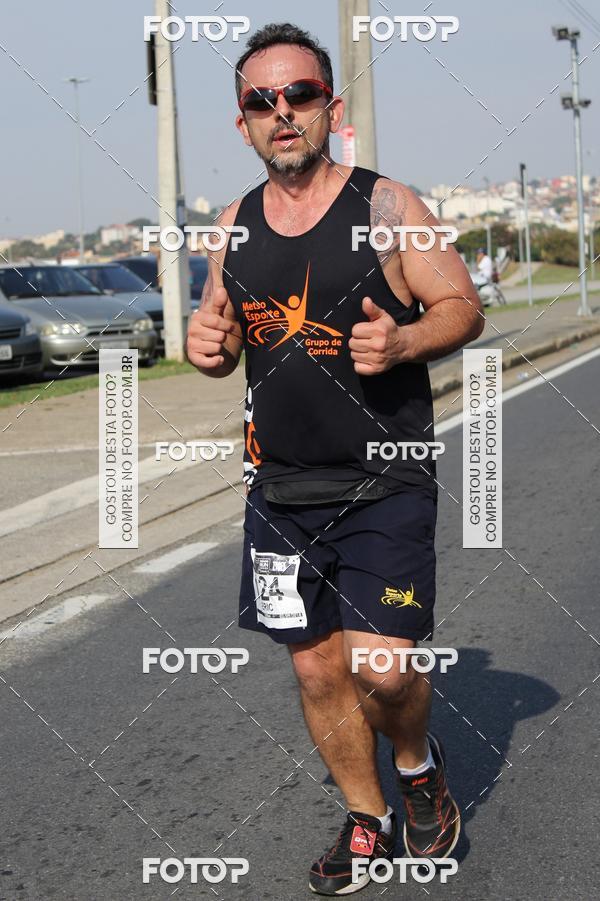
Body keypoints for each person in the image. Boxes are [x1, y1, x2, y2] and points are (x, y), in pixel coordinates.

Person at [186, 22, 484, 896]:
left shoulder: (388, 206)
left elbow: (461, 305)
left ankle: (418, 766)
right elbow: (222, 335)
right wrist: (210, 345)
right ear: (241, 122)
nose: (283, 112)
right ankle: (369, 816)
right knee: (318, 665)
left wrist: (404, 343)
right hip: (278, 486)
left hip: (384, 475)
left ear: (331, 109)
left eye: (300, 95)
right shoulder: (232, 225)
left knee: (382, 666)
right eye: (261, 100)